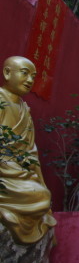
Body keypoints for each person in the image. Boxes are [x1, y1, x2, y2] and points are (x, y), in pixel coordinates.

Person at [0, 56, 56, 244]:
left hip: (17, 172)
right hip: (4, 170)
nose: (30, 80)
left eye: (33, 76)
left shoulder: (25, 109)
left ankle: (11, 214)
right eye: (25, 74)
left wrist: (36, 178)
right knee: (38, 196)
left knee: (43, 195)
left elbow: (30, 152)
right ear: (7, 73)